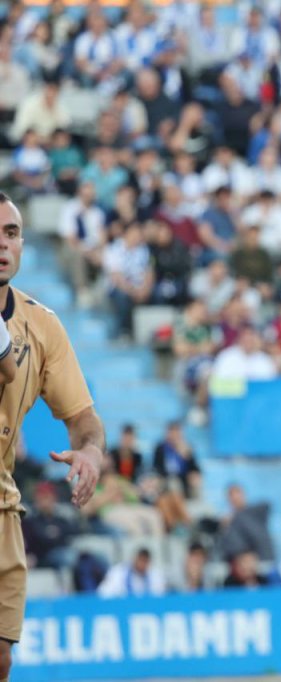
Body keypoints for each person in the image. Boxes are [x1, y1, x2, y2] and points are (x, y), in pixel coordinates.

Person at [0, 191, 105, 681]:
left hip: (2, 504)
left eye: (11, 233)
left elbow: (83, 416)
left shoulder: (42, 324)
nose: (3, 244)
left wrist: (90, 451)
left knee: (1, 657)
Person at [97, 547, 167, 598]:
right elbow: (103, 593)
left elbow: (160, 596)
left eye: (146, 561)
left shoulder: (155, 575)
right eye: (141, 560)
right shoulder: (118, 572)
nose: (142, 564)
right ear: (134, 559)